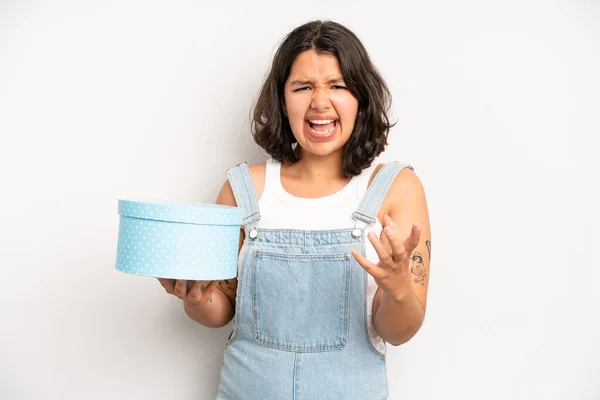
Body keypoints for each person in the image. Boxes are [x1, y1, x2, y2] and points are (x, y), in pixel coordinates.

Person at [158, 20, 431, 399]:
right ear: (282, 101)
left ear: (361, 99)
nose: (320, 102)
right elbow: (221, 310)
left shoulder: (394, 188)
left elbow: (398, 331)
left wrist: (400, 289)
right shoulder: (243, 189)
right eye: (303, 87)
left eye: (337, 86)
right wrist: (195, 297)